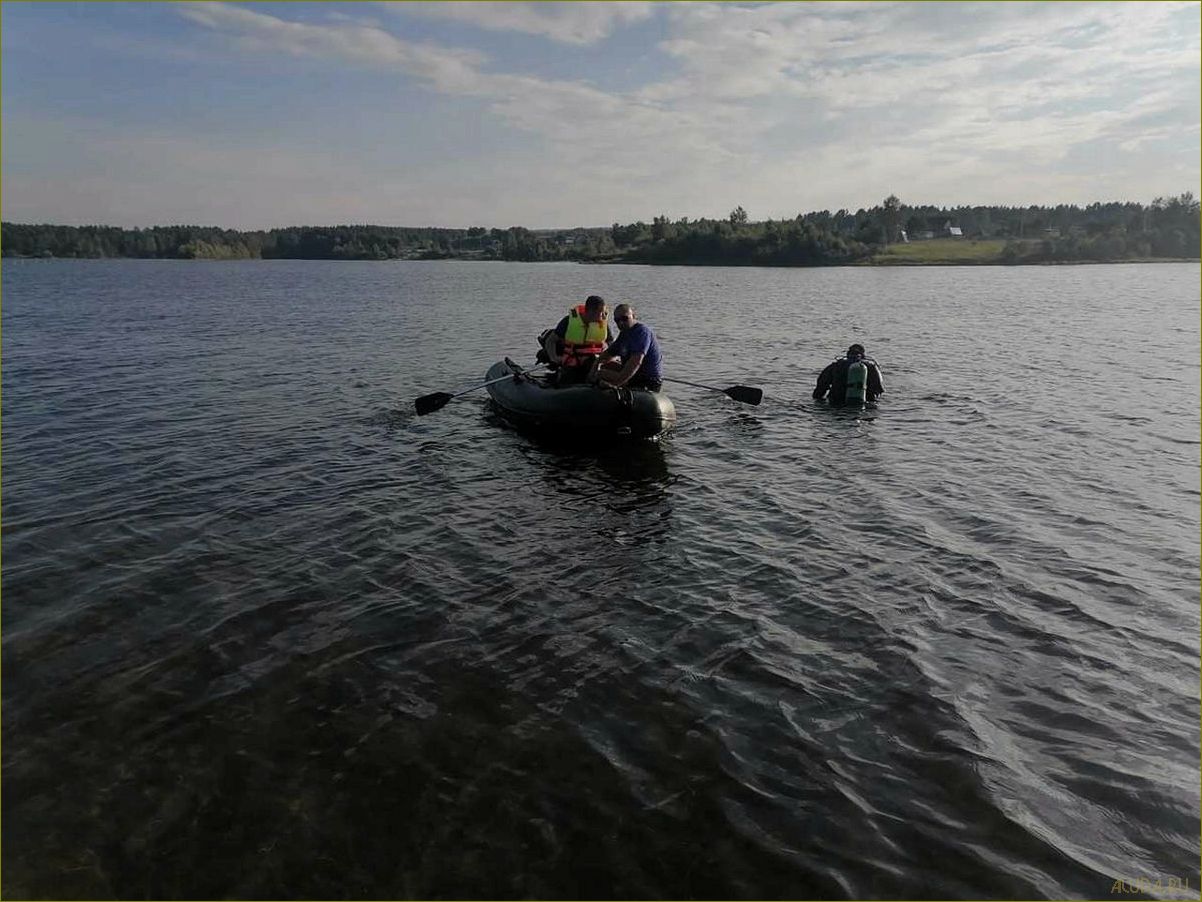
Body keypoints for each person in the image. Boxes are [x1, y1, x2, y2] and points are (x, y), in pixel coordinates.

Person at [539, 294, 615, 385]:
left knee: (597, 365)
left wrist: (607, 352)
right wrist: (554, 357)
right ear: (590, 311)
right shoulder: (569, 321)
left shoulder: (602, 323)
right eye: (601, 312)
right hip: (573, 361)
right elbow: (551, 341)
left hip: (593, 361)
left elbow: (610, 342)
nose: (603, 315)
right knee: (567, 379)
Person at [589, 303, 663, 391]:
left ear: (633, 316)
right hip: (635, 375)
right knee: (605, 366)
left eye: (624, 318)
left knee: (601, 374)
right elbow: (607, 355)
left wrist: (615, 384)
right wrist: (596, 364)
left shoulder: (641, 332)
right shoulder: (624, 334)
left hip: (648, 380)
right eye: (617, 320)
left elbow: (636, 362)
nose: (621, 323)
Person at [813, 343, 884, 406]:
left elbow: (821, 386)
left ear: (847, 354)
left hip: (836, 402)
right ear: (863, 356)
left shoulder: (835, 366)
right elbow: (878, 389)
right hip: (863, 403)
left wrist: (817, 400)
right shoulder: (871, 367)